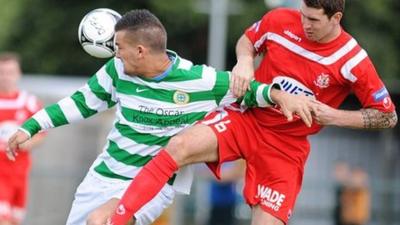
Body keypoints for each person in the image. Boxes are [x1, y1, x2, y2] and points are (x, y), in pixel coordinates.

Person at [92, 1, 397, 225]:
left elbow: (387, 115)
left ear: (336, 17)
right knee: (179, 146)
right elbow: (248, 40)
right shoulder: (280, 20)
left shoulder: (353, 59)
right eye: (303, 14)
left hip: (285, 148)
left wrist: (330, 115)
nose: (305, 24)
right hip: (247, 118)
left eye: (314, 20)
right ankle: (117, 219)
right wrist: (245, 61)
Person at [6, 9, 315, 225]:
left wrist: (280, 95)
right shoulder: (117, 71)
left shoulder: (200, 81)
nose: (115, 54)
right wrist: (31, 126)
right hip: (104, 176)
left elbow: (250, 91)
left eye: (120, 48)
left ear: (141, 50)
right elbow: (80, 103)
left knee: (101, 221)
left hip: (155, 182)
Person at [0, 52, 46, 225]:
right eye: (2, 72)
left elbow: (42, 133)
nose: (6, 77)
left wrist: (28, 142)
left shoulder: (28, 102)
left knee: (14, 221)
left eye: (10, 72)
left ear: (18, 74)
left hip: (20, 173)